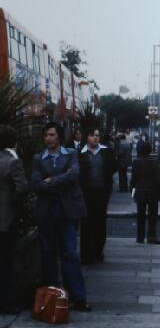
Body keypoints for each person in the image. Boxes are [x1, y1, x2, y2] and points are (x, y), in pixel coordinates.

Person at [31, 122, 91, 311]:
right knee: (48, 255)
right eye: (46, 135)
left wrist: (50, 181)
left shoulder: (71, 154)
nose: (47, 138)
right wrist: (58, 181)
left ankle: (78, 297)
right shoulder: (38, 158)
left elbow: (73, 175)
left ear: (59, 137)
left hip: (68, 211)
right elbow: (35, 183)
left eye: (51, 135)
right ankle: (54, 297)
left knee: (70, 254)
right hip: (47, 211)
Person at [78, 128, 117, 264]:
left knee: (100, 222)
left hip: (102, 193)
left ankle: (98, 251)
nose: (95, 138)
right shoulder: (80, 153)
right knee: (86, 223)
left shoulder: (106, 152)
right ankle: (86, 255)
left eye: (97, 135)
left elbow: (113, 167)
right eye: (92, 135)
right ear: (86, 137)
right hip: (86, 194)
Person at [0, 125, 28, 314]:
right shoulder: (13, 162)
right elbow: (22, 189)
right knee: (6, 263)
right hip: (5, 219)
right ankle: (7, 303)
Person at [130, 142, 160, 245]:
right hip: (152, 192)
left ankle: (140, 237)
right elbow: (158, 179)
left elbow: (133, 179)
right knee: (152, 216)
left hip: (140, 192)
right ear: (150, 150)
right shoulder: (154, 162)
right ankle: (151, 237)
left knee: (140, 215)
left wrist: (131, 188)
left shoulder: (136, 162)